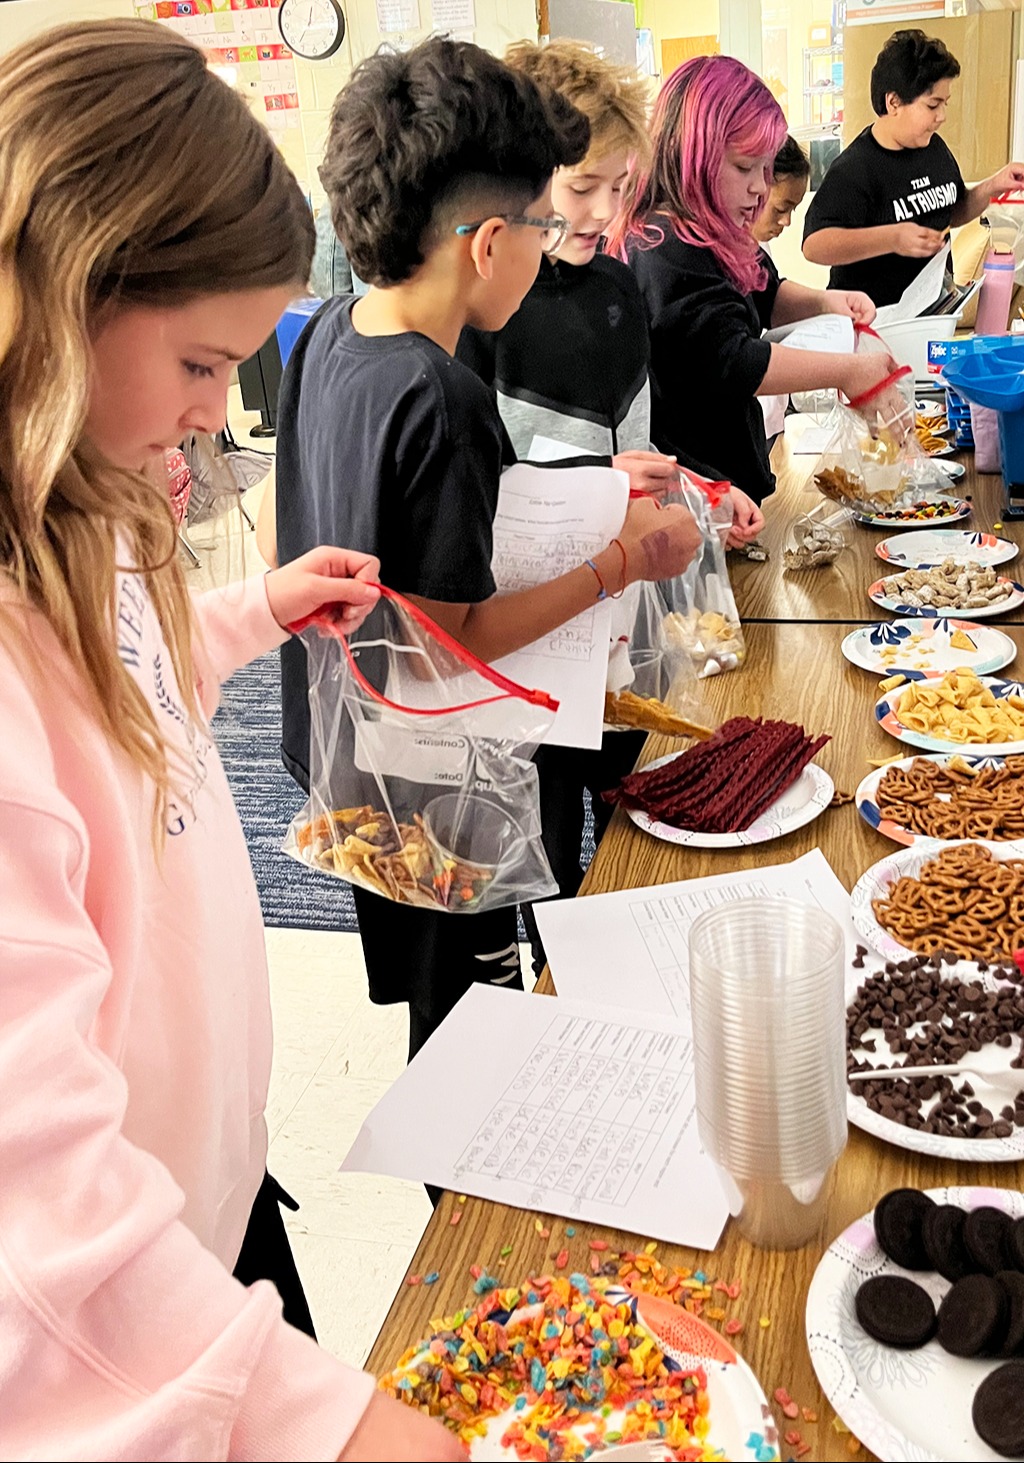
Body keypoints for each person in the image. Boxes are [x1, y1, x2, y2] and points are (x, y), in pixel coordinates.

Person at [0, 19, 462, 1461]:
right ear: (66, 292)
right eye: (202, 364)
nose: (216, 418)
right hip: (109, 1323)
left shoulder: (90, 515)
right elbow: (35, 1215)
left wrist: (247, 609)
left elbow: (123, 698)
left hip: (206, 1209)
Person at [272, 37, 702, 1062]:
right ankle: (464, 1206)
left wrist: (596, 495)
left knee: (431, 991)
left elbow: (398, 522)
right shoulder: (443, 393)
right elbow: (451, 638)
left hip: (356, 757)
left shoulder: (336, 332)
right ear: (486, 239)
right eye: (547, 222)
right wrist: (618, 564)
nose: (559, 241)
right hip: (448, 778)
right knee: (472, 1013)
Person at [455, 39, 758, 979]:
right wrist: (599, 481)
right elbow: (487, 482)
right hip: (530, 632)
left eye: (620, 187)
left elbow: (640, 442)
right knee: (540, 860)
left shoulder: (618, 285)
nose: (602, 213)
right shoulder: (486, 302)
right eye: (581, 187)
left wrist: (696, 486)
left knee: (634, 814)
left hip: (617, 617)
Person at [606, 54, 896, 508]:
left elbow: (765, 290)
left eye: (766, 169)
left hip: (731, 486)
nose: (762, 188)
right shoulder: (666, 248)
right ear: (692, 156)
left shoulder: (713, 230)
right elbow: (733, 361)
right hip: (697, 498)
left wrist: (826, 302)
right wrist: (848, 370)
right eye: (745, 168)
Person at [803, 29, 1024, 309]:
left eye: (945, 104)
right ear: (893, 102)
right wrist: (892, 238)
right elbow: (815, 245)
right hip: (874, 323)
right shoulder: (855, 168)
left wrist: (993, 186)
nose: (942, 117)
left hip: (934, 310)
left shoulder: (934, 148)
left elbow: (952, 211)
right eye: (933, 105)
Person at [753, 134, 811, 445]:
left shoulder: (754, 247)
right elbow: (737, 359)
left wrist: (831, 305)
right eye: (780, 208)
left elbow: (771, 296)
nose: (786, 221)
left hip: (767, 420)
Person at [752, 133, 810, 248]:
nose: (786, 221)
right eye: (780, 209)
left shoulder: (759, 249)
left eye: (792, 210)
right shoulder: (709, 258)